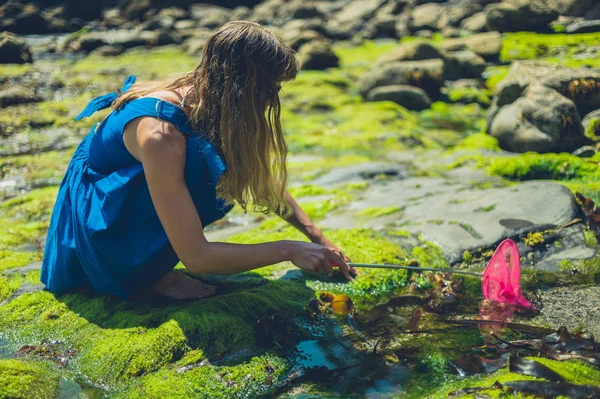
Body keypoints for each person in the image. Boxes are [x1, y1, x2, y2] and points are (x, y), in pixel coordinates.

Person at [41, 21, 358, 300]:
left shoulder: (211, 95)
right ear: (243, 87)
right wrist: (289, 250)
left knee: (220, 164)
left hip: (139, 184)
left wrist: (316, 238)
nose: (272, 101)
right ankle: (145, 275)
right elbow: (197, 258)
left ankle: (152, 264)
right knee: (199, 169)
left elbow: (257, 177)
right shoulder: (161, 135)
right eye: (271, 90)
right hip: (98, 222)